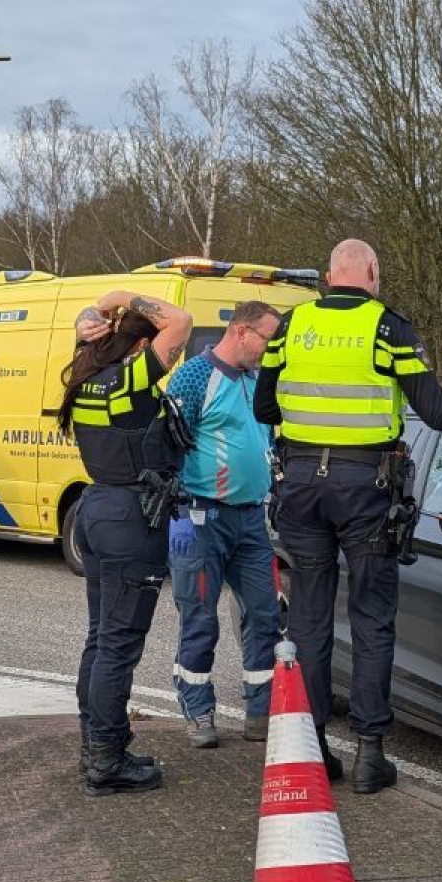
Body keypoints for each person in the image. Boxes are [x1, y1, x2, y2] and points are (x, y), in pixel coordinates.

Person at [255, 239, 442, 793]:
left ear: (328, 275)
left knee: (310, 617)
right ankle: (369, 754)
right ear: (372, 274)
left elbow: (265, 407)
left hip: (301, 486)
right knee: (371, 618)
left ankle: (312, 749)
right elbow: (438, 413)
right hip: (365, 488)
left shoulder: (291, 326)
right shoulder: (388, 329)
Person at [60, 289, 193, 795]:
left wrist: (94, 316)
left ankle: (97, 744)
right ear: (140, 348)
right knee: (118, 645)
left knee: (101, 638)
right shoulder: (128, 381)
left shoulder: (86, 374)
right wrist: (119, 297)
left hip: (96, 507)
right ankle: (105, 761)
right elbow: (179, 319)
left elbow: (89, 334)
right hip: (131, 518)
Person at [164, 300, 284, 748]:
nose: (270, 350)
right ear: (240, 332)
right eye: (267, 339)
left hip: (250, 517)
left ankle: (261, 711)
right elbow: (169, 442)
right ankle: (197, 710)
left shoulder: (257, 380)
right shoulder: (195, 377)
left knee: (264, 613)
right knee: (199, 617)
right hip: (200, 517)